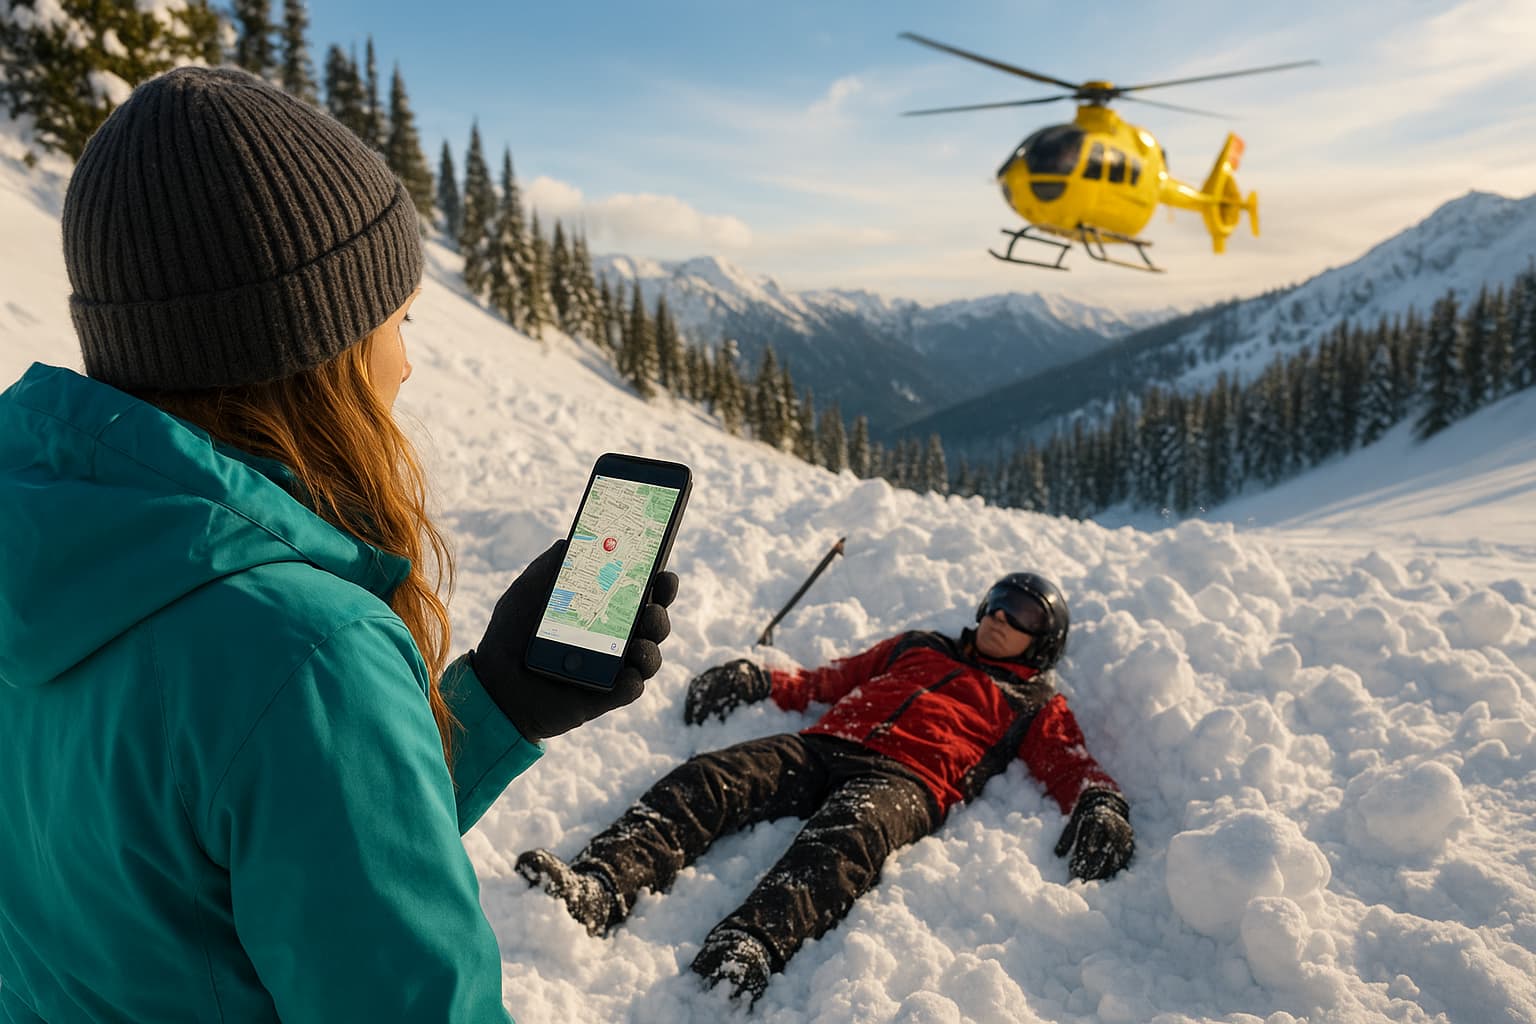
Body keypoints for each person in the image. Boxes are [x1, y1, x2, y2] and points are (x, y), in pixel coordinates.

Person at [0, 67, 677, 1023]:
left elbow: (209, 879)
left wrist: (493, 707)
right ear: (315, 350)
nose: (409, 356)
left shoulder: (34, 553)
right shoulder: (306, 655)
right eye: (397, 319)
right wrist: (360, 697)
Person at [517, 572, 1133, 1005]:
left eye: (1023, 614)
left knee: (844, 842)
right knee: (710, 778)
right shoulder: (919, 646)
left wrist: (1100, 803)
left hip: (909, 780)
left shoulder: (1031, 700)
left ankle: (751, 945)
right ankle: (599, 884)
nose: (1001, 617)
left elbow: (1069, 763)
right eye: (999, 602)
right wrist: (760, 680)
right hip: (824, 744)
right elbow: (828, 679)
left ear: (1044, 638)